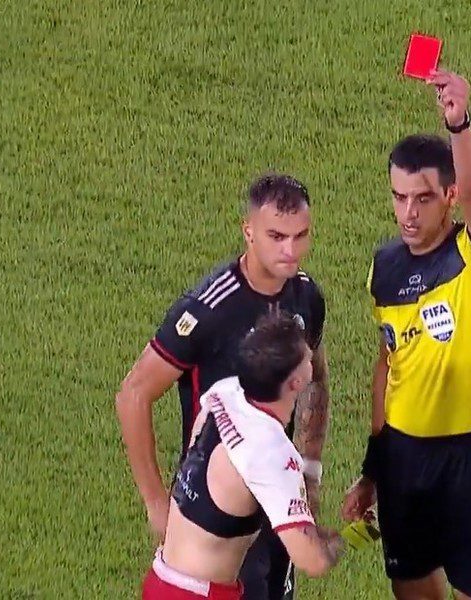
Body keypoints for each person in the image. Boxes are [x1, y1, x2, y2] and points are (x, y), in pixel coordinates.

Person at [342, 69, 471, 600]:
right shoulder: (384, 267)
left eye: (422, 199)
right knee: (411, 586)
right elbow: (388, 365)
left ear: (450, 195)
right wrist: (373, 468)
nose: (409, 214)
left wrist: (458, 125)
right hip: (404, 458)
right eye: (399, 198)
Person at [116, 173, 330, 600]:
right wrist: (155, 502)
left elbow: (316, 379)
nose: (290, 251)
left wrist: (308, 468)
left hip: (276, 490)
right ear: (248, 231)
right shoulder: (209, 310)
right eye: (276, 236)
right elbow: (134, 394)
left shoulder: (306, 296)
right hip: (221, 505)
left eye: (300, 236)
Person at [142, 311, 343, 599]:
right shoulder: (271, 452)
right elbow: (311, 560)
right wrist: (336, 542)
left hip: (162, 579)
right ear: (297, 381)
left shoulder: (225, 392)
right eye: (306, 356)